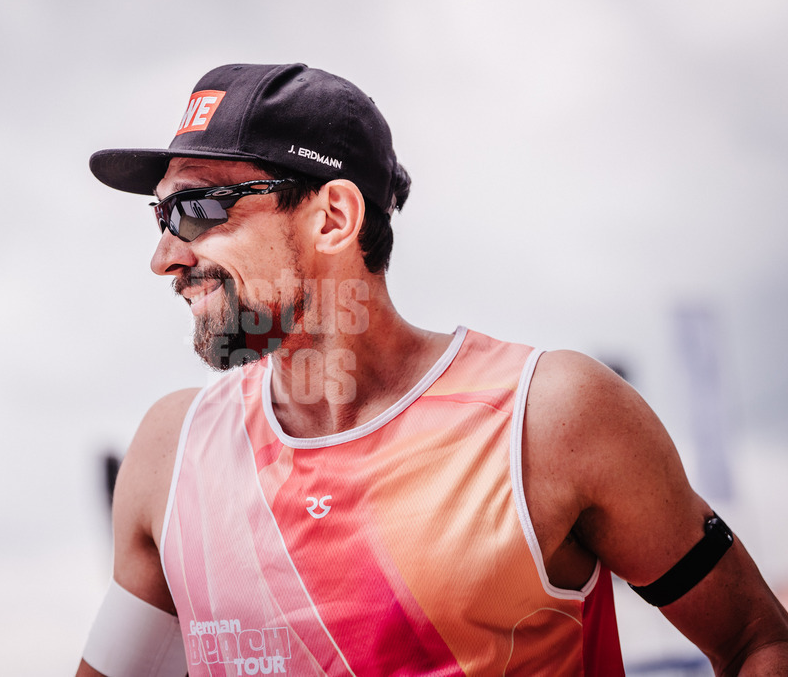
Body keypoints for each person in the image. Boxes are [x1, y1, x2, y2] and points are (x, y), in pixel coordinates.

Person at [76, 63, 788, 676]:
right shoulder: (170, 453)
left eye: (198, 208)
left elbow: (758, 639)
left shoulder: (551, 419)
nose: (165, 256)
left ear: (333, 218)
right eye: (160, 216)